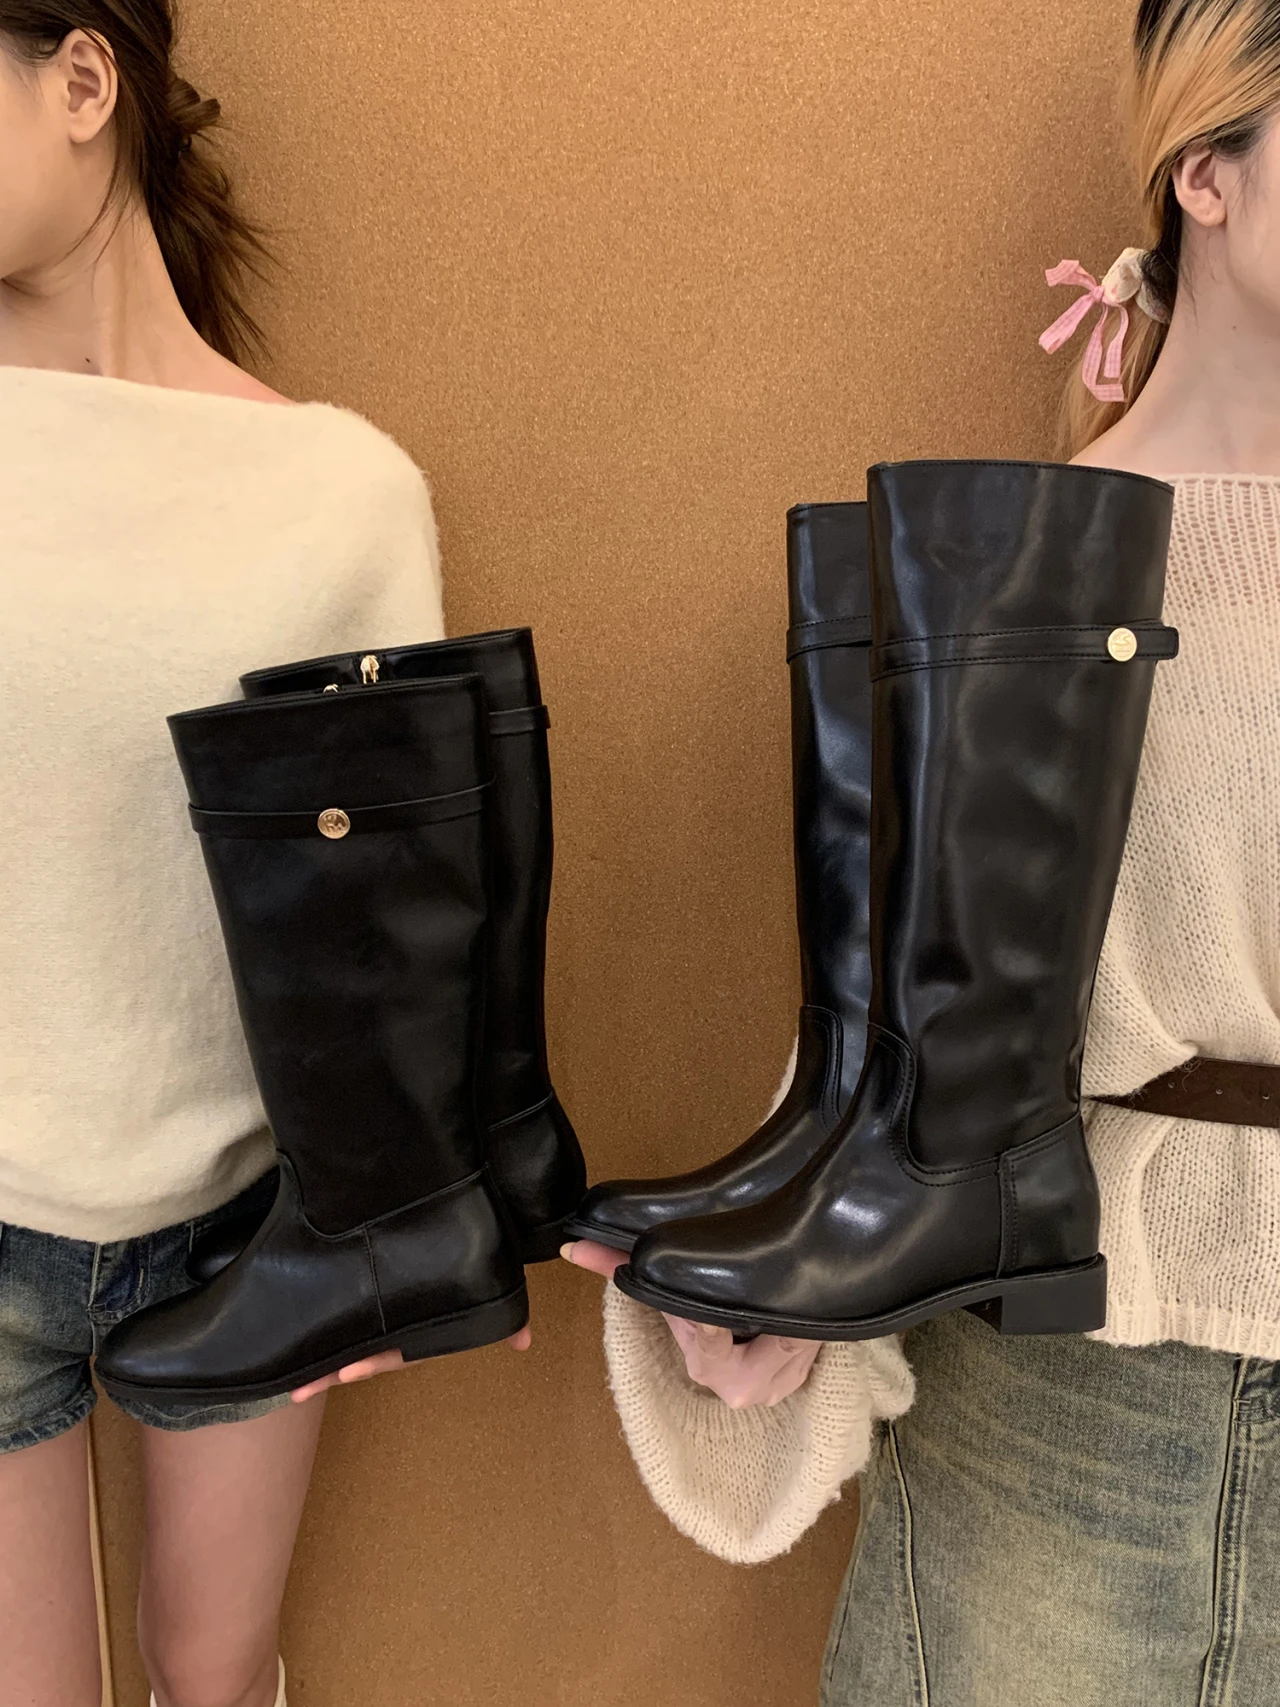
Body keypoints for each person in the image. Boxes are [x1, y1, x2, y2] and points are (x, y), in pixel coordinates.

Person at [563, 0, 1280, 1698]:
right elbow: (923, 998)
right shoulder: (1021, 574)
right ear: (1209, 177)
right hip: (1080, 1394)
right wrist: (791, 1289)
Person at [0, 7, 526, 1704]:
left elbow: (404, 927)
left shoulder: (338, 494)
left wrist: (409, 1211)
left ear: (85, 81)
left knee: (215, 1681)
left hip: (253, 1218)